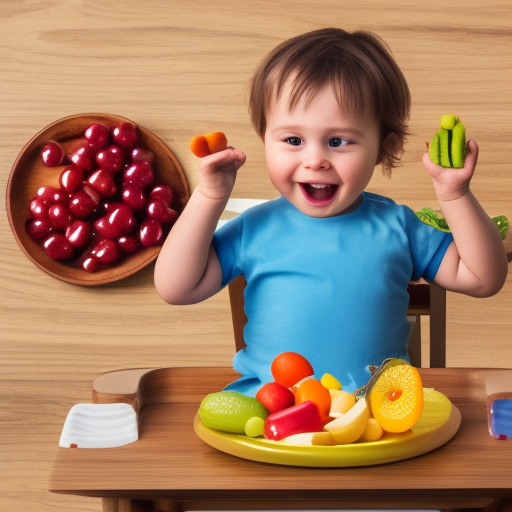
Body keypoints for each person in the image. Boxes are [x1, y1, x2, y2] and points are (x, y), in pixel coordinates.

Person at [154, 28, 507, 396]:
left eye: (338, 141)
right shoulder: (253, 229)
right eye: (293, 140)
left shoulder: (398, 227)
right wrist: (210, 196)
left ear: (385, 148)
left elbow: (483, 279)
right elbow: (176, 288)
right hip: (271, 411)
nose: (315, 160)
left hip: (377, 415)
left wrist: (455, 195)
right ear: (265, 141)